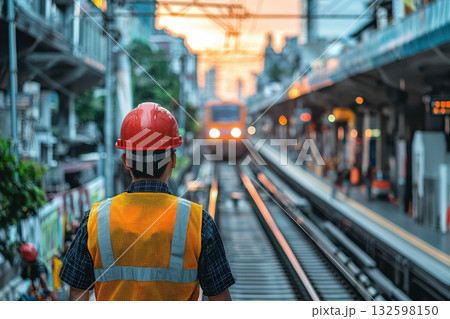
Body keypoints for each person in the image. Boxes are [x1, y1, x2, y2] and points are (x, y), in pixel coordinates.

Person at [60, 102, 235, 301]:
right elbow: (221, 300)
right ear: (173, 160)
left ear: (126, 160)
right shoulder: (198, 222)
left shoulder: (95, 220)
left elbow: (77, 293)